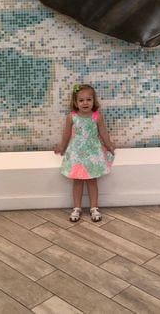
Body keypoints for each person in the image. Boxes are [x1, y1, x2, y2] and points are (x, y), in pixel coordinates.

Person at [54, 83, 115, 222]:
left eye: (89, 99)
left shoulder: (96, 117)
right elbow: (66, 135)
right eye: (81, 100)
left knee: (92, 181)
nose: (85, 103)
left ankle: (94, 207)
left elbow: (103, 132)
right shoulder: (72, 117)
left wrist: (109, 145)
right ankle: (77, 207)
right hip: (77, 153)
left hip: (92, 153)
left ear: (94, 101)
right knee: (77, 182)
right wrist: (61, 147)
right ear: (75, 102)